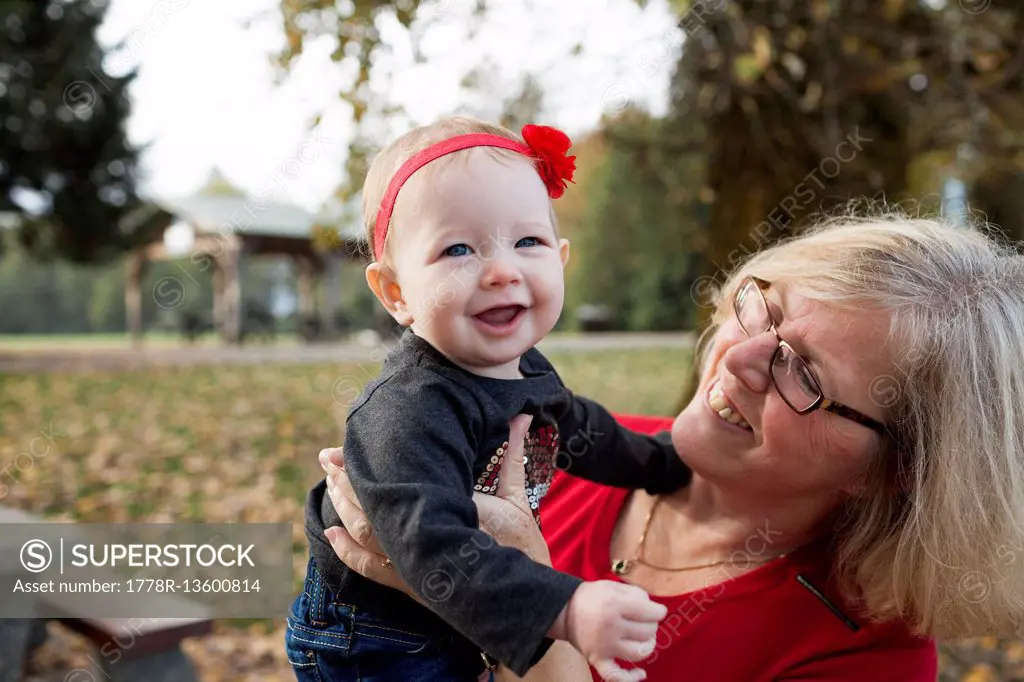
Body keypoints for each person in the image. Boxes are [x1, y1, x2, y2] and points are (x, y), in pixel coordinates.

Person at [314, 215, 1024, 681]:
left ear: (897, 471)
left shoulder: (865, 656)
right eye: (760, 307)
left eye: (803, 374)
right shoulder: (563, 445)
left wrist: (513, 610)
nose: (739, 356)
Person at [290, 116, 694, 682]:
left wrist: (668, 462)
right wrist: (564, 608)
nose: (503, 270)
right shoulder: (407, 411)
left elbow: (581, 429)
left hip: (465, 609)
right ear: (396, 293)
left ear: (561, 258)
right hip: (379, 636)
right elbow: (431, 542)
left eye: (527, 241)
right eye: (458, 249)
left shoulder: (524, 369)